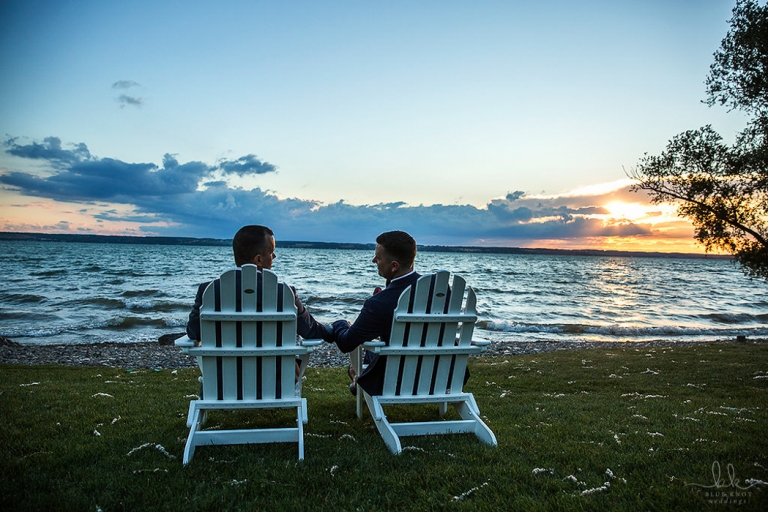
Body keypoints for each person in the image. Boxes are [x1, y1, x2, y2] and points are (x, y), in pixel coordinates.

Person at [186, 224, 332, 344]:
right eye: (271, 252)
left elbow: (194, 333)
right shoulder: (283, 293)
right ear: (258, 260)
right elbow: (311, 332)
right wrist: (337, 327)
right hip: (274, 376)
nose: (274, 256)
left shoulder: (208, 291)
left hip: (221, 377)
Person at [328, 230, 421, 396]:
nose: (373, 261)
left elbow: (346, 343)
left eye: (378, 258)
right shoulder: (441, 292)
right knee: (374, 352)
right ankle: (356, 378)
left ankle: (357, 378)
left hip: (394, 378)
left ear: (394, 266)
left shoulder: (379, 303)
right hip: (441, 373)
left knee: (372, 350)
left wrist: (340, 324)